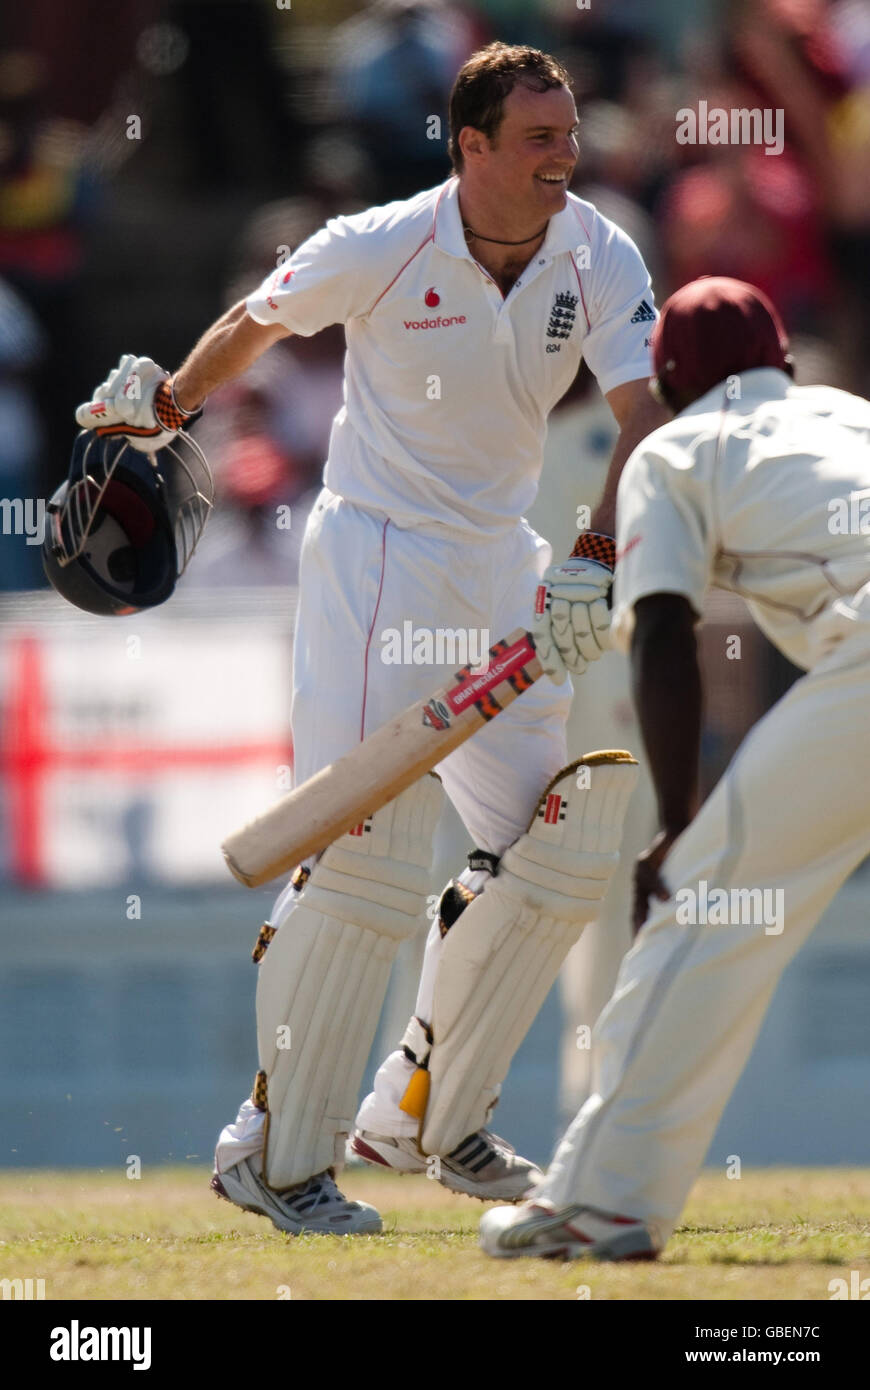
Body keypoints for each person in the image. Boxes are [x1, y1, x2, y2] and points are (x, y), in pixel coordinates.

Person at [75, 43, 664, 1235]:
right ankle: (274, 1153)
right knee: (363, 863)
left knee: (560, 843)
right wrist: (174, 405)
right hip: (378, 561)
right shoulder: (384, 240)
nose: (567, 156)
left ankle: (421, 1109)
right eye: (540, 138)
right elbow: (259, 318)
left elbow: (643, 418)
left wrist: (596, 556)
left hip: (509, 562)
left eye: (572, 135)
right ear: (475, 147)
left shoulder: (599, 251)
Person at [480, 275, 870, 1261]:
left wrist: (678, 821)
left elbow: (659, 631)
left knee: (702, 909)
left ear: (668, 381)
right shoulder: (846, 413)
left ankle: (600, 1202)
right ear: (781, 357)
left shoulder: (675, 446)